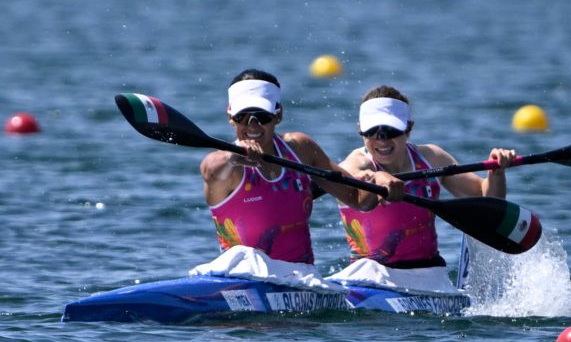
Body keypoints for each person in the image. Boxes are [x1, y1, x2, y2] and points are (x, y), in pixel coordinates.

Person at [200, 70, 403, 265]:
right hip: (243, 276)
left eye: (262, 117)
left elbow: (358, 200)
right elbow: (210, 169)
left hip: (300, 278)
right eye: (242, 117)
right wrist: (232, 157)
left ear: (278, 115)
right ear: (230, 117)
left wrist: (378, 180)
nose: (253, 126)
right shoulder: (226, 166)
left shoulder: (301, 149)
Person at [336, 85, 516, 270]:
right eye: (372, 131)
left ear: (408, 128)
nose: (382, 140)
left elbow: (488, 201)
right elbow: (357, 189)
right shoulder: (354, 165)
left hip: (428, 274)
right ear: (360, 130)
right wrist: (380, 177)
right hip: (370, 275)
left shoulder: (432, 158)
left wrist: (497, 172)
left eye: (391, 130)